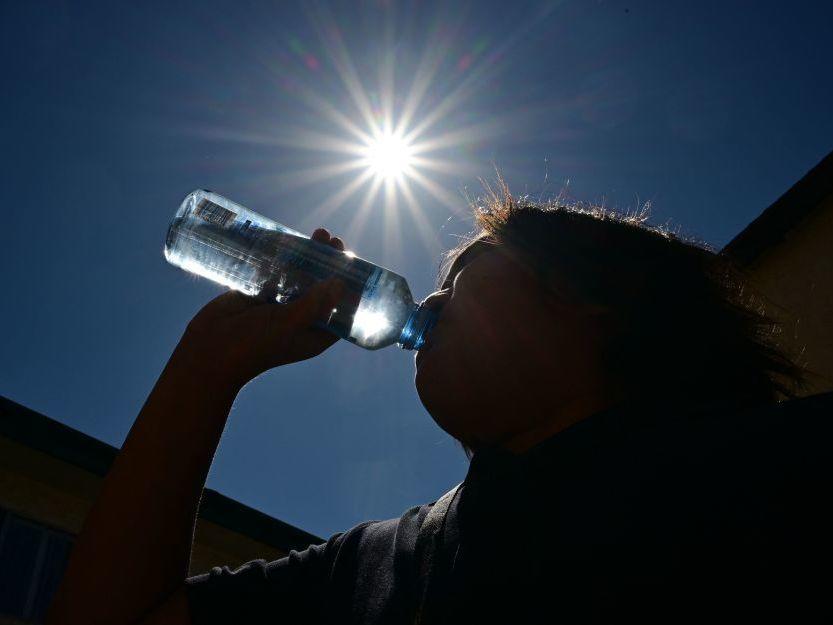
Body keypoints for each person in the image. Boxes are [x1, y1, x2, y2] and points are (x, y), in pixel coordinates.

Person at [47, 183, 823, 625]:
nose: (433, 298)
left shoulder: (776, 475)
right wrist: (206, 365)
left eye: (467, 273)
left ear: (595, 299)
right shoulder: (371, 565)